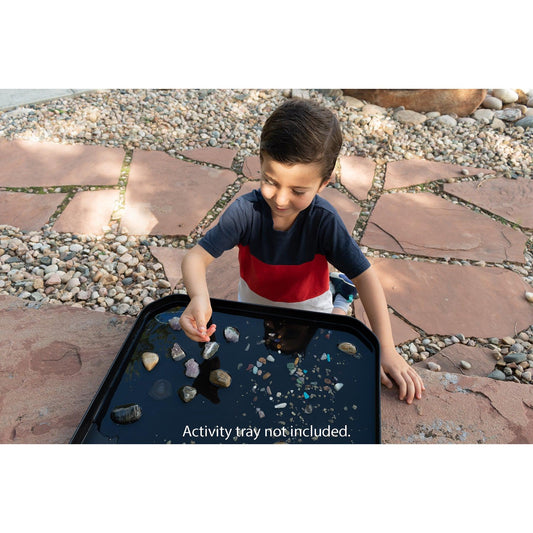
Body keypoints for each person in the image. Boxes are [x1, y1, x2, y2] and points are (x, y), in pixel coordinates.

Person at [179, 98, 425, 404]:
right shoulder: (245, 213)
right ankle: (340, 293)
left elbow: (365, 276)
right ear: (261, 162)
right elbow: (195, 257)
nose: (281, 200)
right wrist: (198, 298)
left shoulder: (324, 221)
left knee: (308, 366)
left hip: (311, 310)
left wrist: (385, 349)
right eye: (270, 181)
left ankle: (340, 299)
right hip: (255, 308)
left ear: (323, 183)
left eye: (298, 191)